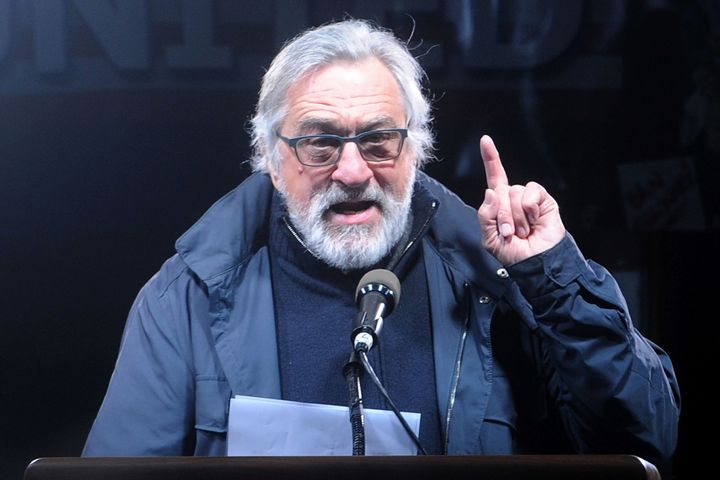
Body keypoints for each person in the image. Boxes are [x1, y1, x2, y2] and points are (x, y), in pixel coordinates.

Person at [82, 18, 680, 469]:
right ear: (269, 156)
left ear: (415, 149)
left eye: (378, 141)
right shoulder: (183, 298)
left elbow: (643, 442)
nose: (351, 171)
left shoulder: (498, 282)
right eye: (320, 144)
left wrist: (550, 276)